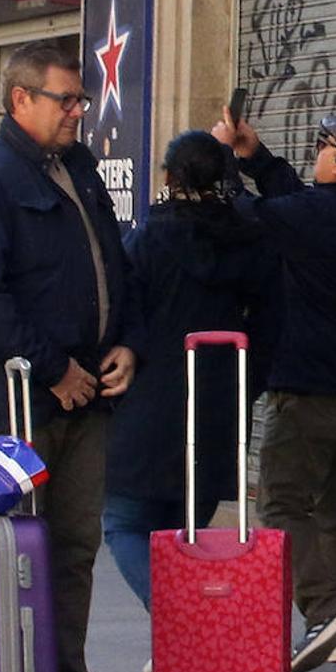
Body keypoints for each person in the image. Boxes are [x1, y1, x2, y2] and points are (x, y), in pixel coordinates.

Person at [0, 41, 141, 672]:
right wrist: (54, 365)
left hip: (89, 395)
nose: (79, 112)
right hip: (24, 399)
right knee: (19, 550)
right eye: (66, 100)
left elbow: (113, 265)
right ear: (20, 99)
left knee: (75, 547)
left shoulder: (80, 169)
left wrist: (126, 342)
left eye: (82, 100)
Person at [213, 110, 336, 672]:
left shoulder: (316, 216)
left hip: (309, 388)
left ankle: (324, 612)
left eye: (323, 146)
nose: (316, 152)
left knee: (283, 503)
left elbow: (249, 213)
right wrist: (258, 157)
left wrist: (224, 158)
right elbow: (298, 202)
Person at [102, 130, 280, 623]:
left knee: (123, 520)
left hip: (149, 407)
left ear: (168, 178)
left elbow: (120, 317)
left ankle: (182, 624)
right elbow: (272, 324)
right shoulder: (252, 241)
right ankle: (184, 646)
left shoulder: (145, 241)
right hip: (221, 405)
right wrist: (246, 385)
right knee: (188, 530)